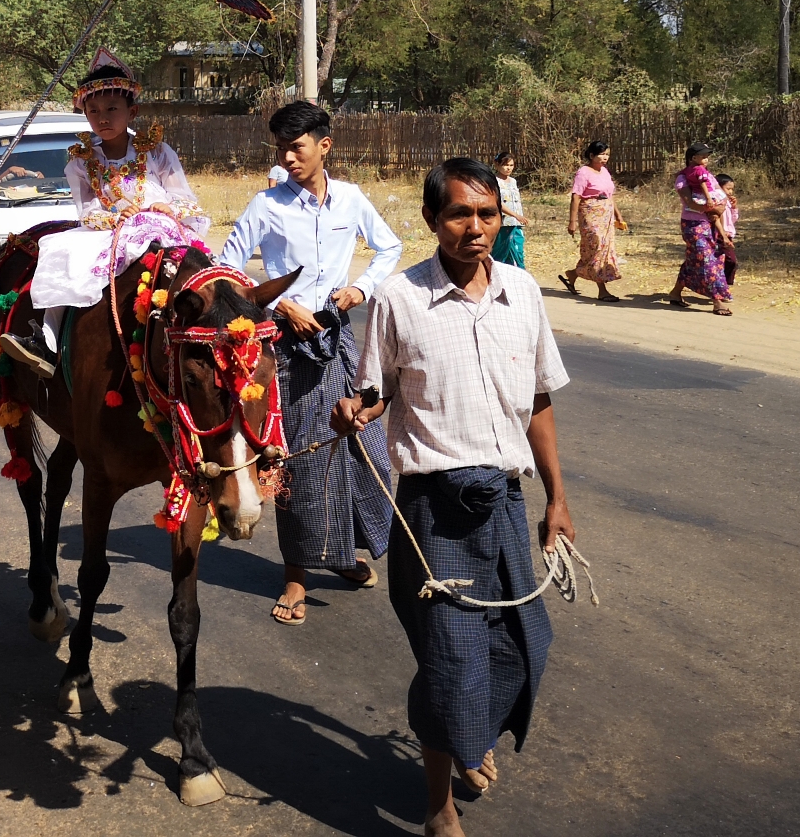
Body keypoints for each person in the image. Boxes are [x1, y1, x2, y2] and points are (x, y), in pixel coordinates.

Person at [333, 157, 575, 837]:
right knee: (450, 660)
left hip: (503, 499)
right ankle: (439, 803)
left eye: (488, 214)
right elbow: (373, 393)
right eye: (460, 215)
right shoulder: (399, 300)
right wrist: (355, 411)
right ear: (432, 221)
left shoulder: (523, 293)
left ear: (503, 218)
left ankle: (471, 736)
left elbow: (538, 400)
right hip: (432, 509)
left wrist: (557, 499)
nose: (475, 227)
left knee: (523, 645)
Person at [219, 101, 402, 627]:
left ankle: (344, 553)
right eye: (281, 148)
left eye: (297, 147)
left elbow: (389, 247)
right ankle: (296, 577)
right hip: (288, 348)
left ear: (325, 146)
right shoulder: (266, 205)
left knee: (364, 447)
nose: (288, 157)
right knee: (300, 459)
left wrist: (360, 287)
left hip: (342, 340)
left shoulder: (351, 199)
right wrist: (278, 304)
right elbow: (228, 268)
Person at [0, 48, 207, 378]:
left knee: (208, 271)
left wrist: (170, 208)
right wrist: (114, 218)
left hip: (163, 226)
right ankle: (49, 344)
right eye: (94, 110)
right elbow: (87, 211)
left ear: (132, 111)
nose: (103, 117)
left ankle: (217, 332)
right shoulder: (81, 161)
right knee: (59, 252)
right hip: (111, 232)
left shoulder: (157, 151)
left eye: (112, 108)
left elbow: (187, 200)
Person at [668, 143, 733, 315]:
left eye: (707, 156)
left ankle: (675, 293)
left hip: (711, 223)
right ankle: (717, 301)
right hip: (693, 225)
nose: (706, 159)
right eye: (703, 156)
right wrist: (712, 209)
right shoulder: (682, 179)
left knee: (695, 260)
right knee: (706, 260)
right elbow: (690, 202)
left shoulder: (708, 175)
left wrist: (721, 207)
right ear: (692, 158)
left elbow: (721, 193)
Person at [557, 140, 627, 303]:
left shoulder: (605, 172)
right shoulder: (584, 172)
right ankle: (602, 290)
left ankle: (573, 274)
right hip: (590, 213)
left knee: (604, 249)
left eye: (607, 154)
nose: (605, 158)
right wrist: (572, 221)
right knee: (596, 247)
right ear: (591, 155)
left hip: (606, 214)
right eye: (601, 154)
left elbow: (610, 196)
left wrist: (618, 215)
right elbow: (576, 196)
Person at [491, 152, 529, 269]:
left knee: (518, 252)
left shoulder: (513, 181)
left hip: (516, 224)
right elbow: (497, 203)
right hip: (503, 224)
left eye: (511, 165)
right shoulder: (494, 181)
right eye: (505, 165)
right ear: (497, 164)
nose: (508, 168)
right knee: (500, 253)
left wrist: (518, 217)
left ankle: (519, 277)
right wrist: (515, 215)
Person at [715, 172, 740, 286]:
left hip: (728, 234)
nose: (730, 192)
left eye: (732, 189)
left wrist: (734, 208)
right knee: (731, 261)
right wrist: (723, 234)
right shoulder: (717, 203)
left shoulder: (728, 203)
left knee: (725, 261)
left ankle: (722, 284)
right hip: (721, 235)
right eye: (728, 189)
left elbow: (732, 220)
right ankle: (724, 283)